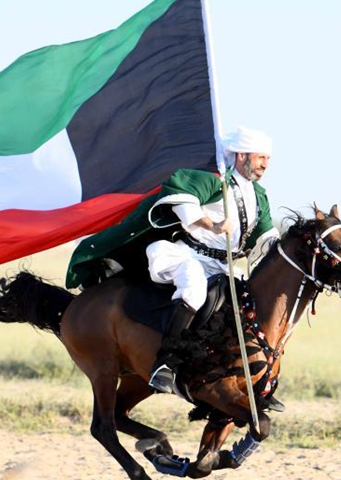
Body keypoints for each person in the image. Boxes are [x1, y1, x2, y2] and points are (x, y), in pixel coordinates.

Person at [64, 126, 282, 407]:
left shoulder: (258, 195)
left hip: (220, 265)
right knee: (193, 289)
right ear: (241, 156)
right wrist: (212, 224)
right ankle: (165, 363)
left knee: (248, 300)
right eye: (260, 157)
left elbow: (266, 239)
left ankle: (236, 375)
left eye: (268, 159)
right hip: (187, 256)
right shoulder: (214, 180)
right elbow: (183, 199)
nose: (265, 164)